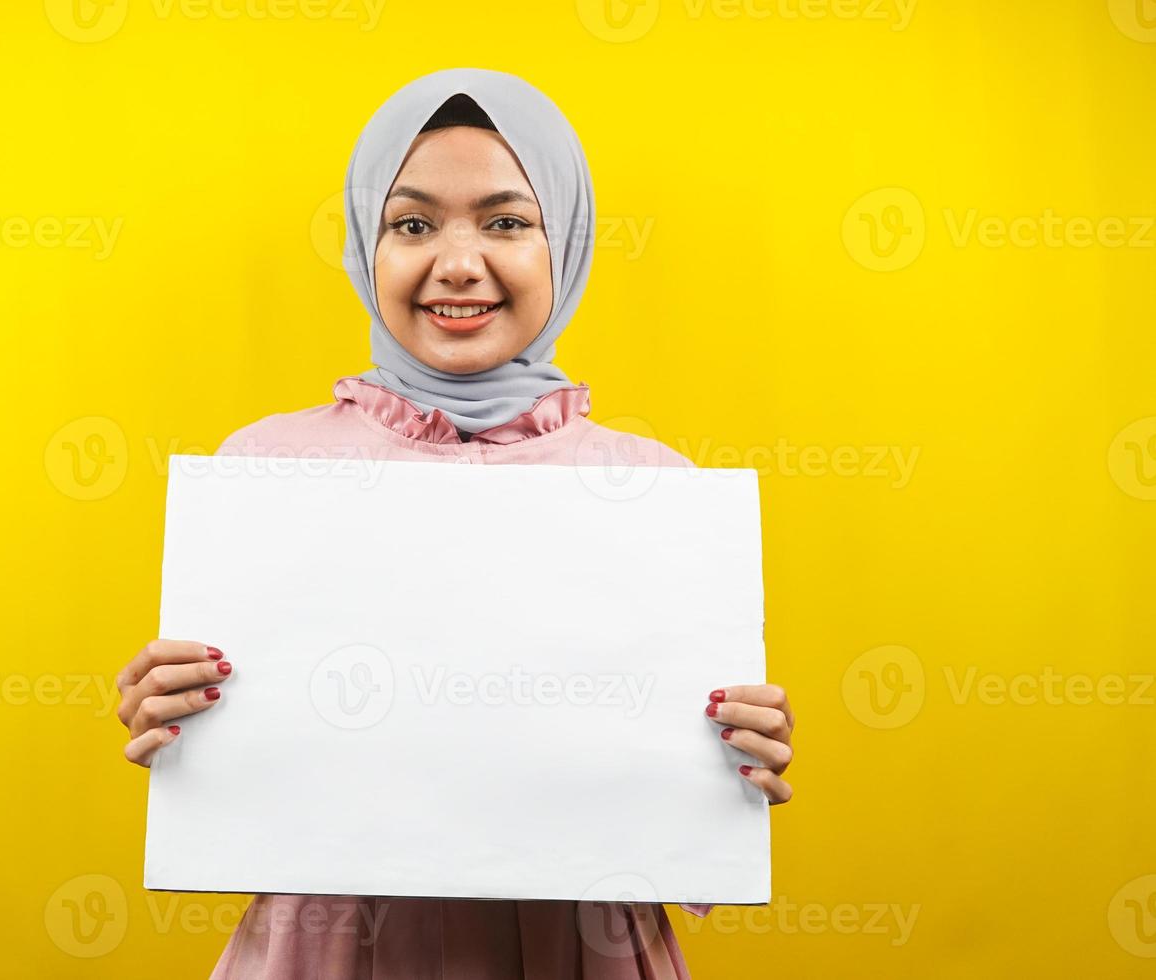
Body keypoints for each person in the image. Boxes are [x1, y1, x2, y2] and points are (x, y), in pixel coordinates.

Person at [115, 67, 797, 979]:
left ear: (568, 242)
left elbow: (676, 822)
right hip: (331, 950)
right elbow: (244, 757)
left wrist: (730, 762)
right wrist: (173, 716)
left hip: (577, 950)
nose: (459, 261)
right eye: (413, 223)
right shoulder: (267, 473)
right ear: (367, 243)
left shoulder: (649, 491)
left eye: (508, 221)